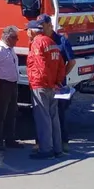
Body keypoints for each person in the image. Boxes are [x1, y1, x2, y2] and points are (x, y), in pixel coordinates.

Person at [26, 16, 65, 159]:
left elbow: (41, 66)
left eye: (27, 30)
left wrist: (49, 82)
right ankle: (57, 149)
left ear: (32, 31)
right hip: (52, 86)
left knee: (43, 119)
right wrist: (57, 82)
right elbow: (61, 65)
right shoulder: (52, 42)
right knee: (53, 118)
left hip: (41, 85)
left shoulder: (37, 43)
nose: (26, 33)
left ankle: (46, 150)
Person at [0, 25, 21, 151]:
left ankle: (10, 139)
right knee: (0, 114)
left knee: (12, 112)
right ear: (7, 37)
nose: (16, 40)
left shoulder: (10, 49)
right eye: (15, 38)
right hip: (2, 84)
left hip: (12, 84)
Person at [52, 22, 77, 153]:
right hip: (45, 83)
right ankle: (42, 142)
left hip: (59, 84)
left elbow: (72, 61)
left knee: (60, 112)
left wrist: (62, 76)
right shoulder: (40, 40)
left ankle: (63, 142)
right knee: (44, 113)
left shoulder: (62, 41)